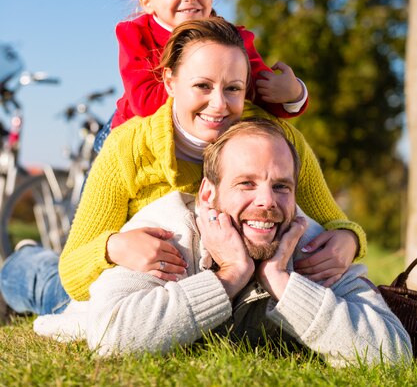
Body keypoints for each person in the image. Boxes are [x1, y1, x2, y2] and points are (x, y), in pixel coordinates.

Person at [0, 18, 365, 316]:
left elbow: (335, 221)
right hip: (131, 290)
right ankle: (22, 262)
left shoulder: (277, 140)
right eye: (202, 86)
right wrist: (113, 248)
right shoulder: (128, 147)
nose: (219, 104)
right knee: (54, 294)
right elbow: (75, 271)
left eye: (233, 89)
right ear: (171, 81)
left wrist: (348, 241)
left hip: (204, 298)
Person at [33, 120, 412, 366]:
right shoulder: (168, 231)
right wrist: (228, 277)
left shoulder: (309, 243)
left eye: (281, 186)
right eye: (246, 183)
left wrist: (282, 282)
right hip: (74, 301)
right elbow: (109, 337)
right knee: (42, 283)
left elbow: (393, 354)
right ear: (208, 195)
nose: (266, 202)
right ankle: (26, 260)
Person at [95, 0, 308, 150]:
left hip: (199, 135)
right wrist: (199, 90)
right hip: (132, 131)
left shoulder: (232, 41)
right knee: (100, 180)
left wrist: (293, 94)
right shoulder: (135, 34)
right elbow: (145, 102)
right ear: (146, 0)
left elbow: (256, 92)